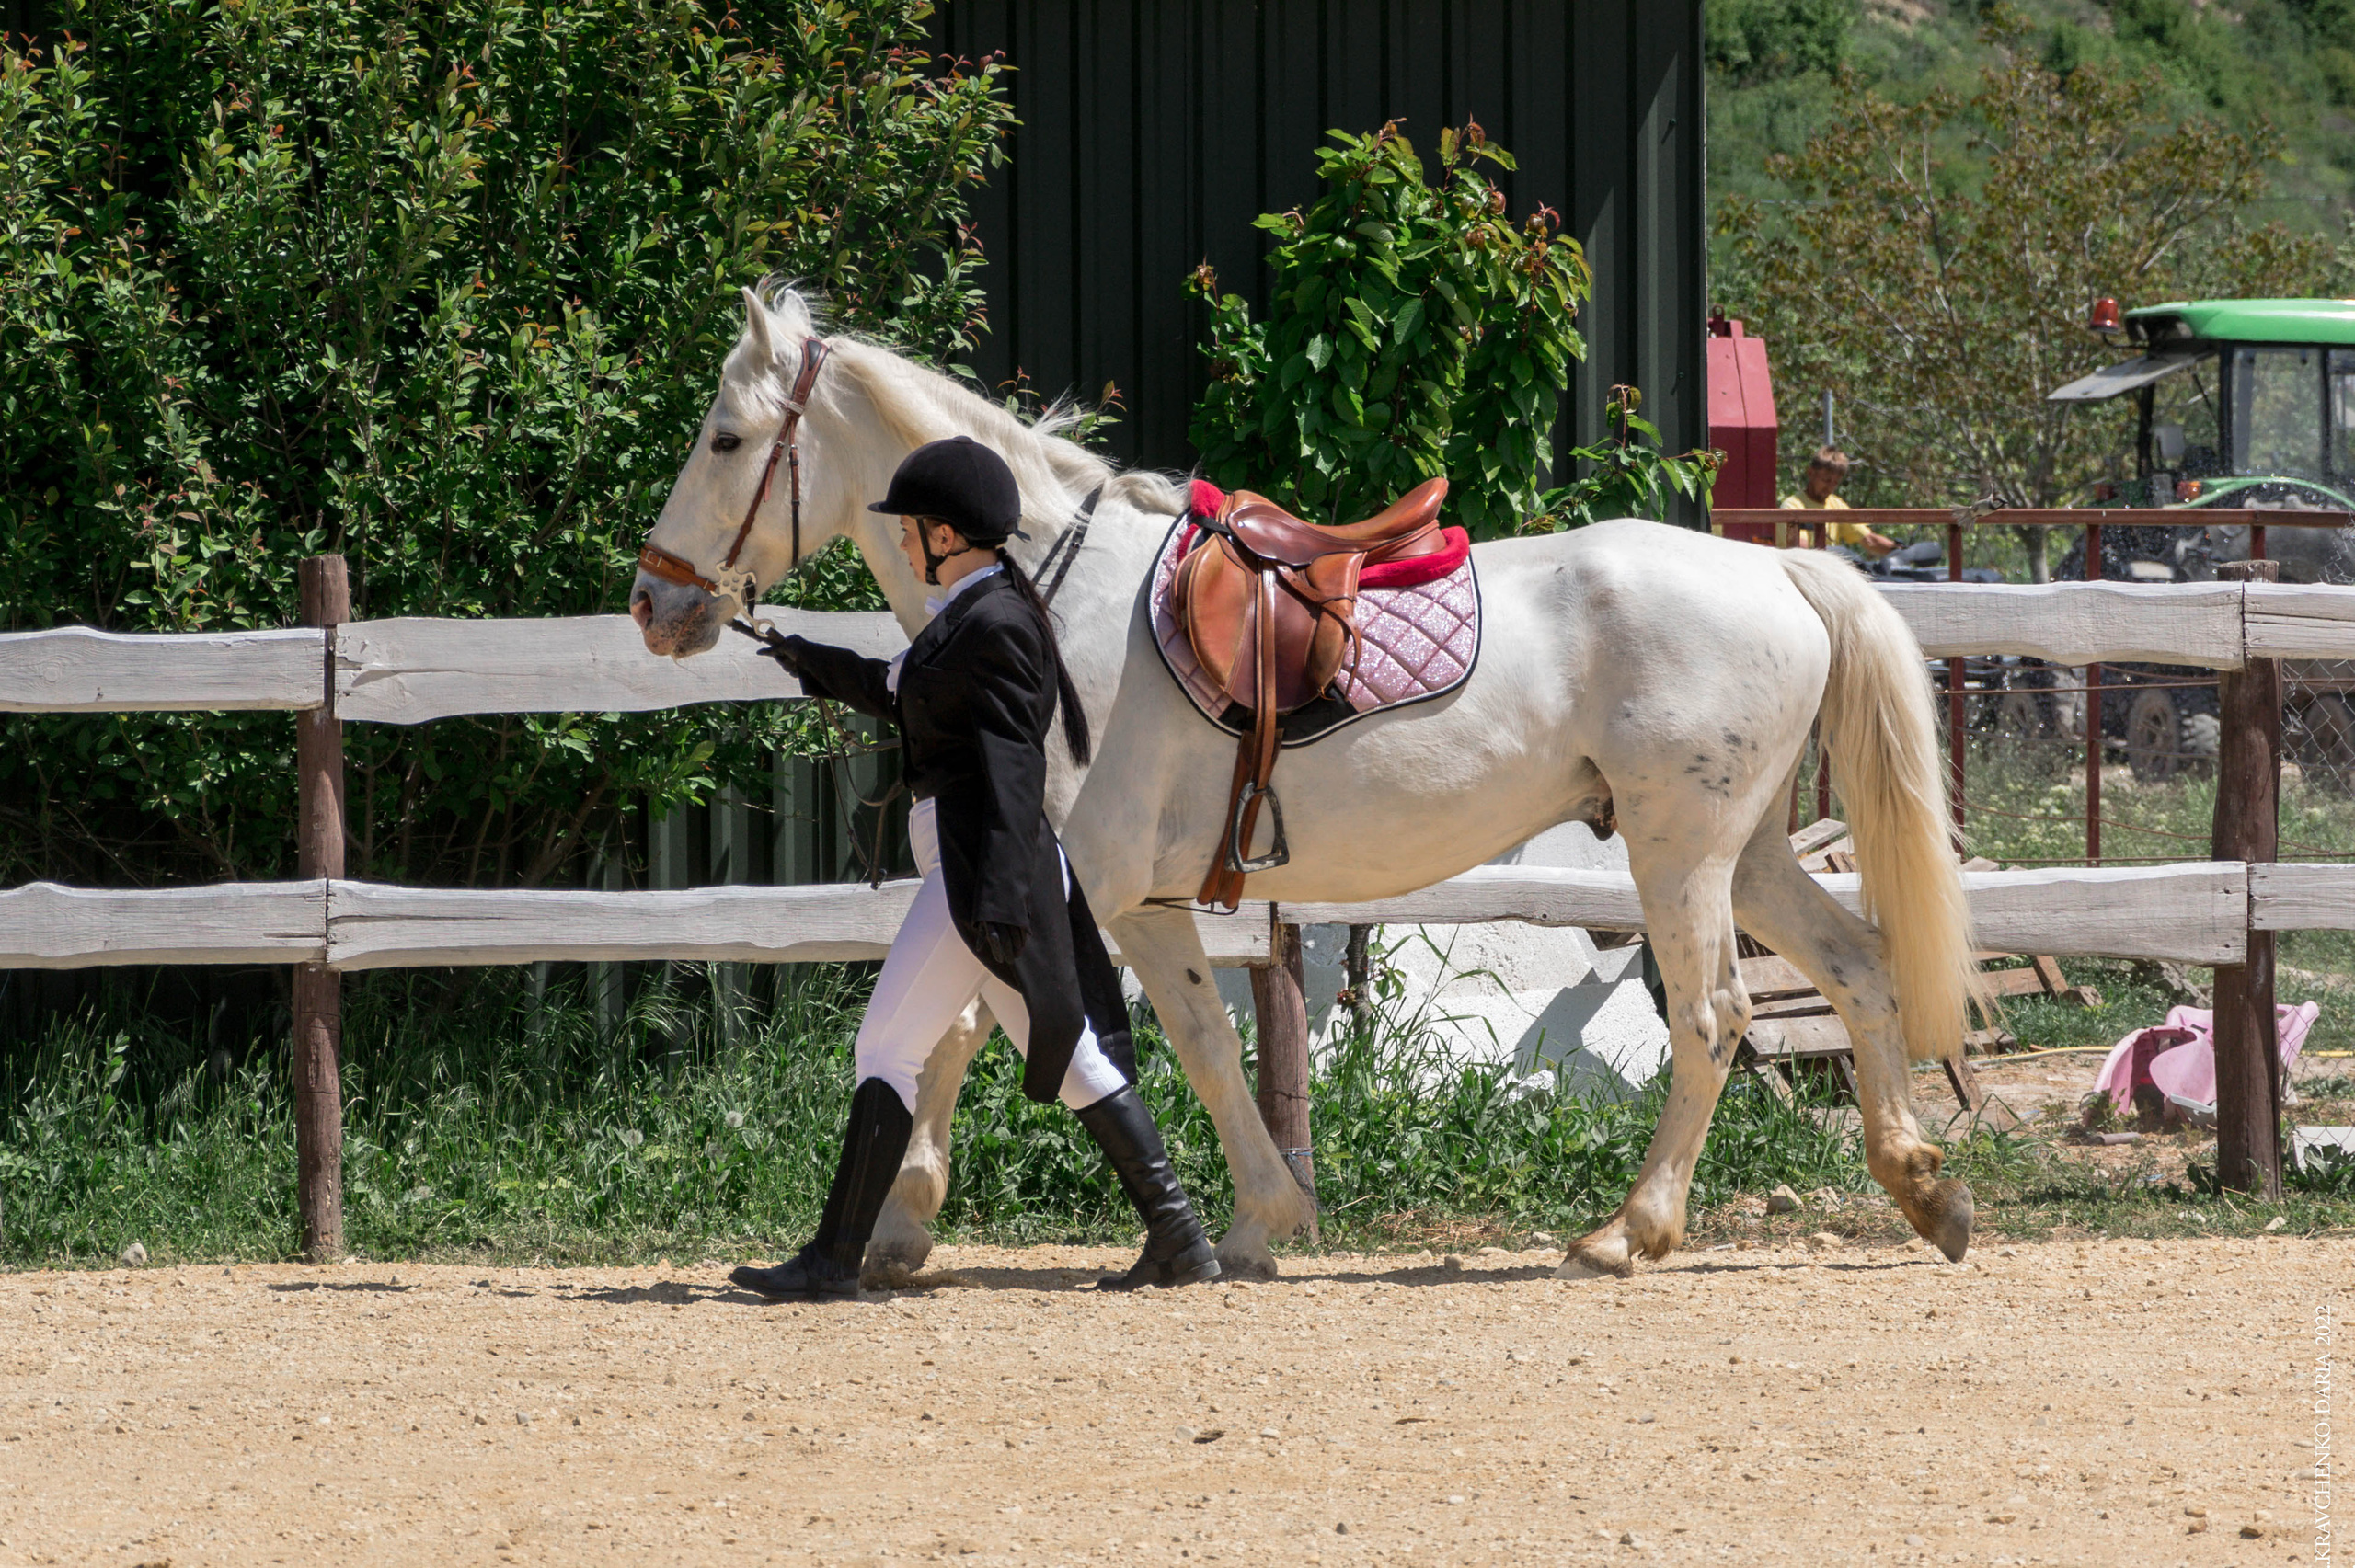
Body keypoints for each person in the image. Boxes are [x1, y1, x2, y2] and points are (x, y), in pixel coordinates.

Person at [730, 435, 1220, 1299]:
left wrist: (993, 900)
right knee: (1071, 1062)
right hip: (979, 864)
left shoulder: (992, 623)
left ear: (947, 534)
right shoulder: (971, 611)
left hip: (978, 866)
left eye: (912, 529)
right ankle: (1178, 1233)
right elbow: (899, 688)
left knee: (885, 1043)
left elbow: (1012, 770)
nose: (905, 544)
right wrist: (805, 656)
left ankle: (833, 1257)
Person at [1780, 446, 1895, 557]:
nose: (1830, 487)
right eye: (1826, 480)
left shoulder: (1836, 504)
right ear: (1810, 473)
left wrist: (1900, 551)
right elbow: (1801, 552)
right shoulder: (1792, 506)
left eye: (1835, 482)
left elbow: (1868, 540)